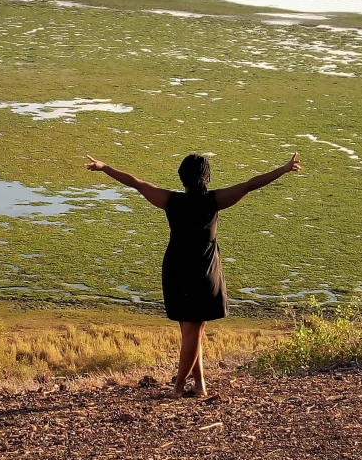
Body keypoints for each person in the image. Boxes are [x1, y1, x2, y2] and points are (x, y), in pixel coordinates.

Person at [84, 150, 302, 396]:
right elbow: (251, 184)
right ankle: (178, 388)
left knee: (190, 332)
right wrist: (283, 169)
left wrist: (105, 167)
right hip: (203, 272)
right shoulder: (214, 201)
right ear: (206, 177)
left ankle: (199, 386)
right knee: (194, 332)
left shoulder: (170, 201)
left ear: (182, 177)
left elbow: (136, 183)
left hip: (176, 270)